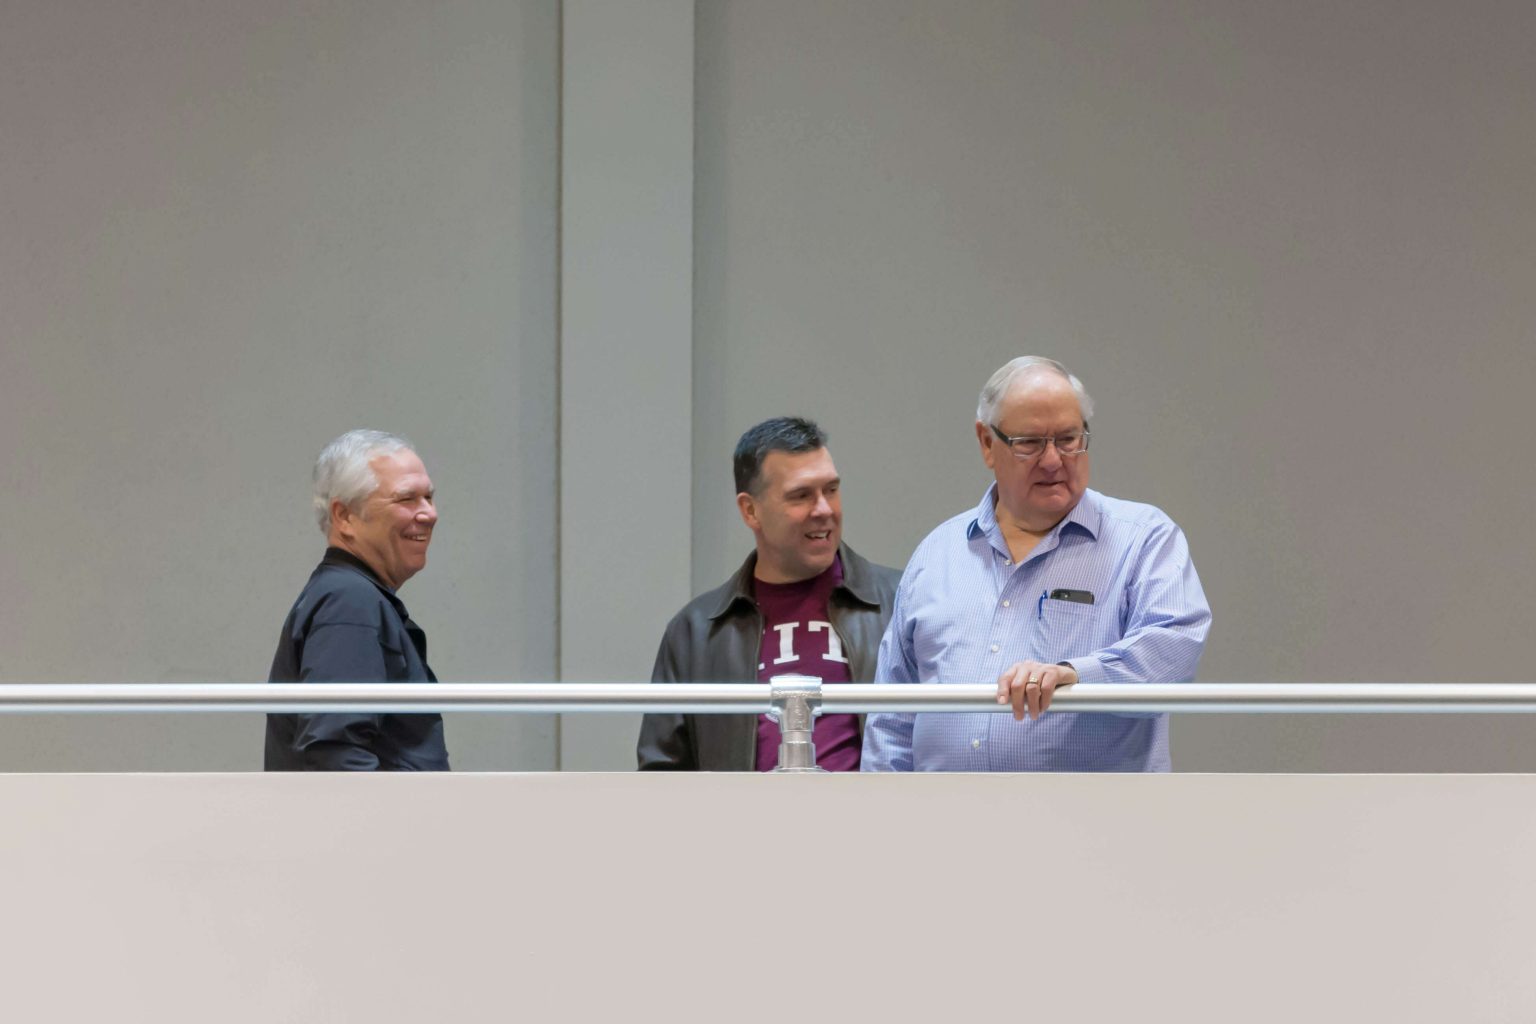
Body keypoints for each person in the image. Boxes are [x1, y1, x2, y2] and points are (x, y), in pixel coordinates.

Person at [862, 357, 1210, 772]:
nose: (1052, 461)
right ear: (986, 443)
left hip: (1089, 813)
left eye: (1068, 439)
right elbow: (892, 717)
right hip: (943, 811)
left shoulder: (1144, 539)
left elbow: (1173, 650)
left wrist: (1076, 675)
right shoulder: (937, 554)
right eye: (1029, 443)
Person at [637, 417, 902, 771]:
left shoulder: (901, 602)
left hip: (876, 808)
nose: (824, 509)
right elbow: (662, 775)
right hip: (742, 810)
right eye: (801, 495)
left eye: (831, 490)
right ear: (751, 510)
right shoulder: (696, 631)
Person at [265, 429, 451, 771]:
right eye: (406, 499)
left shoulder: (349, 596)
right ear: (344, 516)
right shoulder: (349, 601)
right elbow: (335, 756)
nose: (429, 513)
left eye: (429, 497)